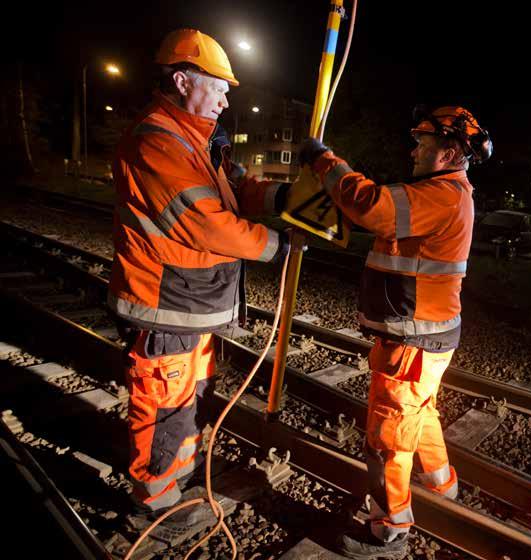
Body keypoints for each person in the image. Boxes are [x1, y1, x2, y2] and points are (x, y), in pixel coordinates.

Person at [108, 28, 287, 518]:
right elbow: (206, 223)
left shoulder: (195, 141)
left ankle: (179, 476)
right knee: (165, 406)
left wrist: (285, 199)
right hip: (165, 303)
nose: (227, 99)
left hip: (190, 302)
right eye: (220, 86)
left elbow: (235, 190)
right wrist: (278, 246)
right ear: (184, 80)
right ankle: (157, 501)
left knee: (188, 400)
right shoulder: (157, 143)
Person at [300, 106, 492, 559]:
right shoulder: (443, 192)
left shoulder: (442, 194)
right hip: (426, 336)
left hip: (414, 339)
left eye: (423, 144)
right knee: (419, 412)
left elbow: (375, 207)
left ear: (448, 152)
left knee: (388, 437)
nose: (414, 150)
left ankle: (389, 530)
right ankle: (442, 486)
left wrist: (324, 160)